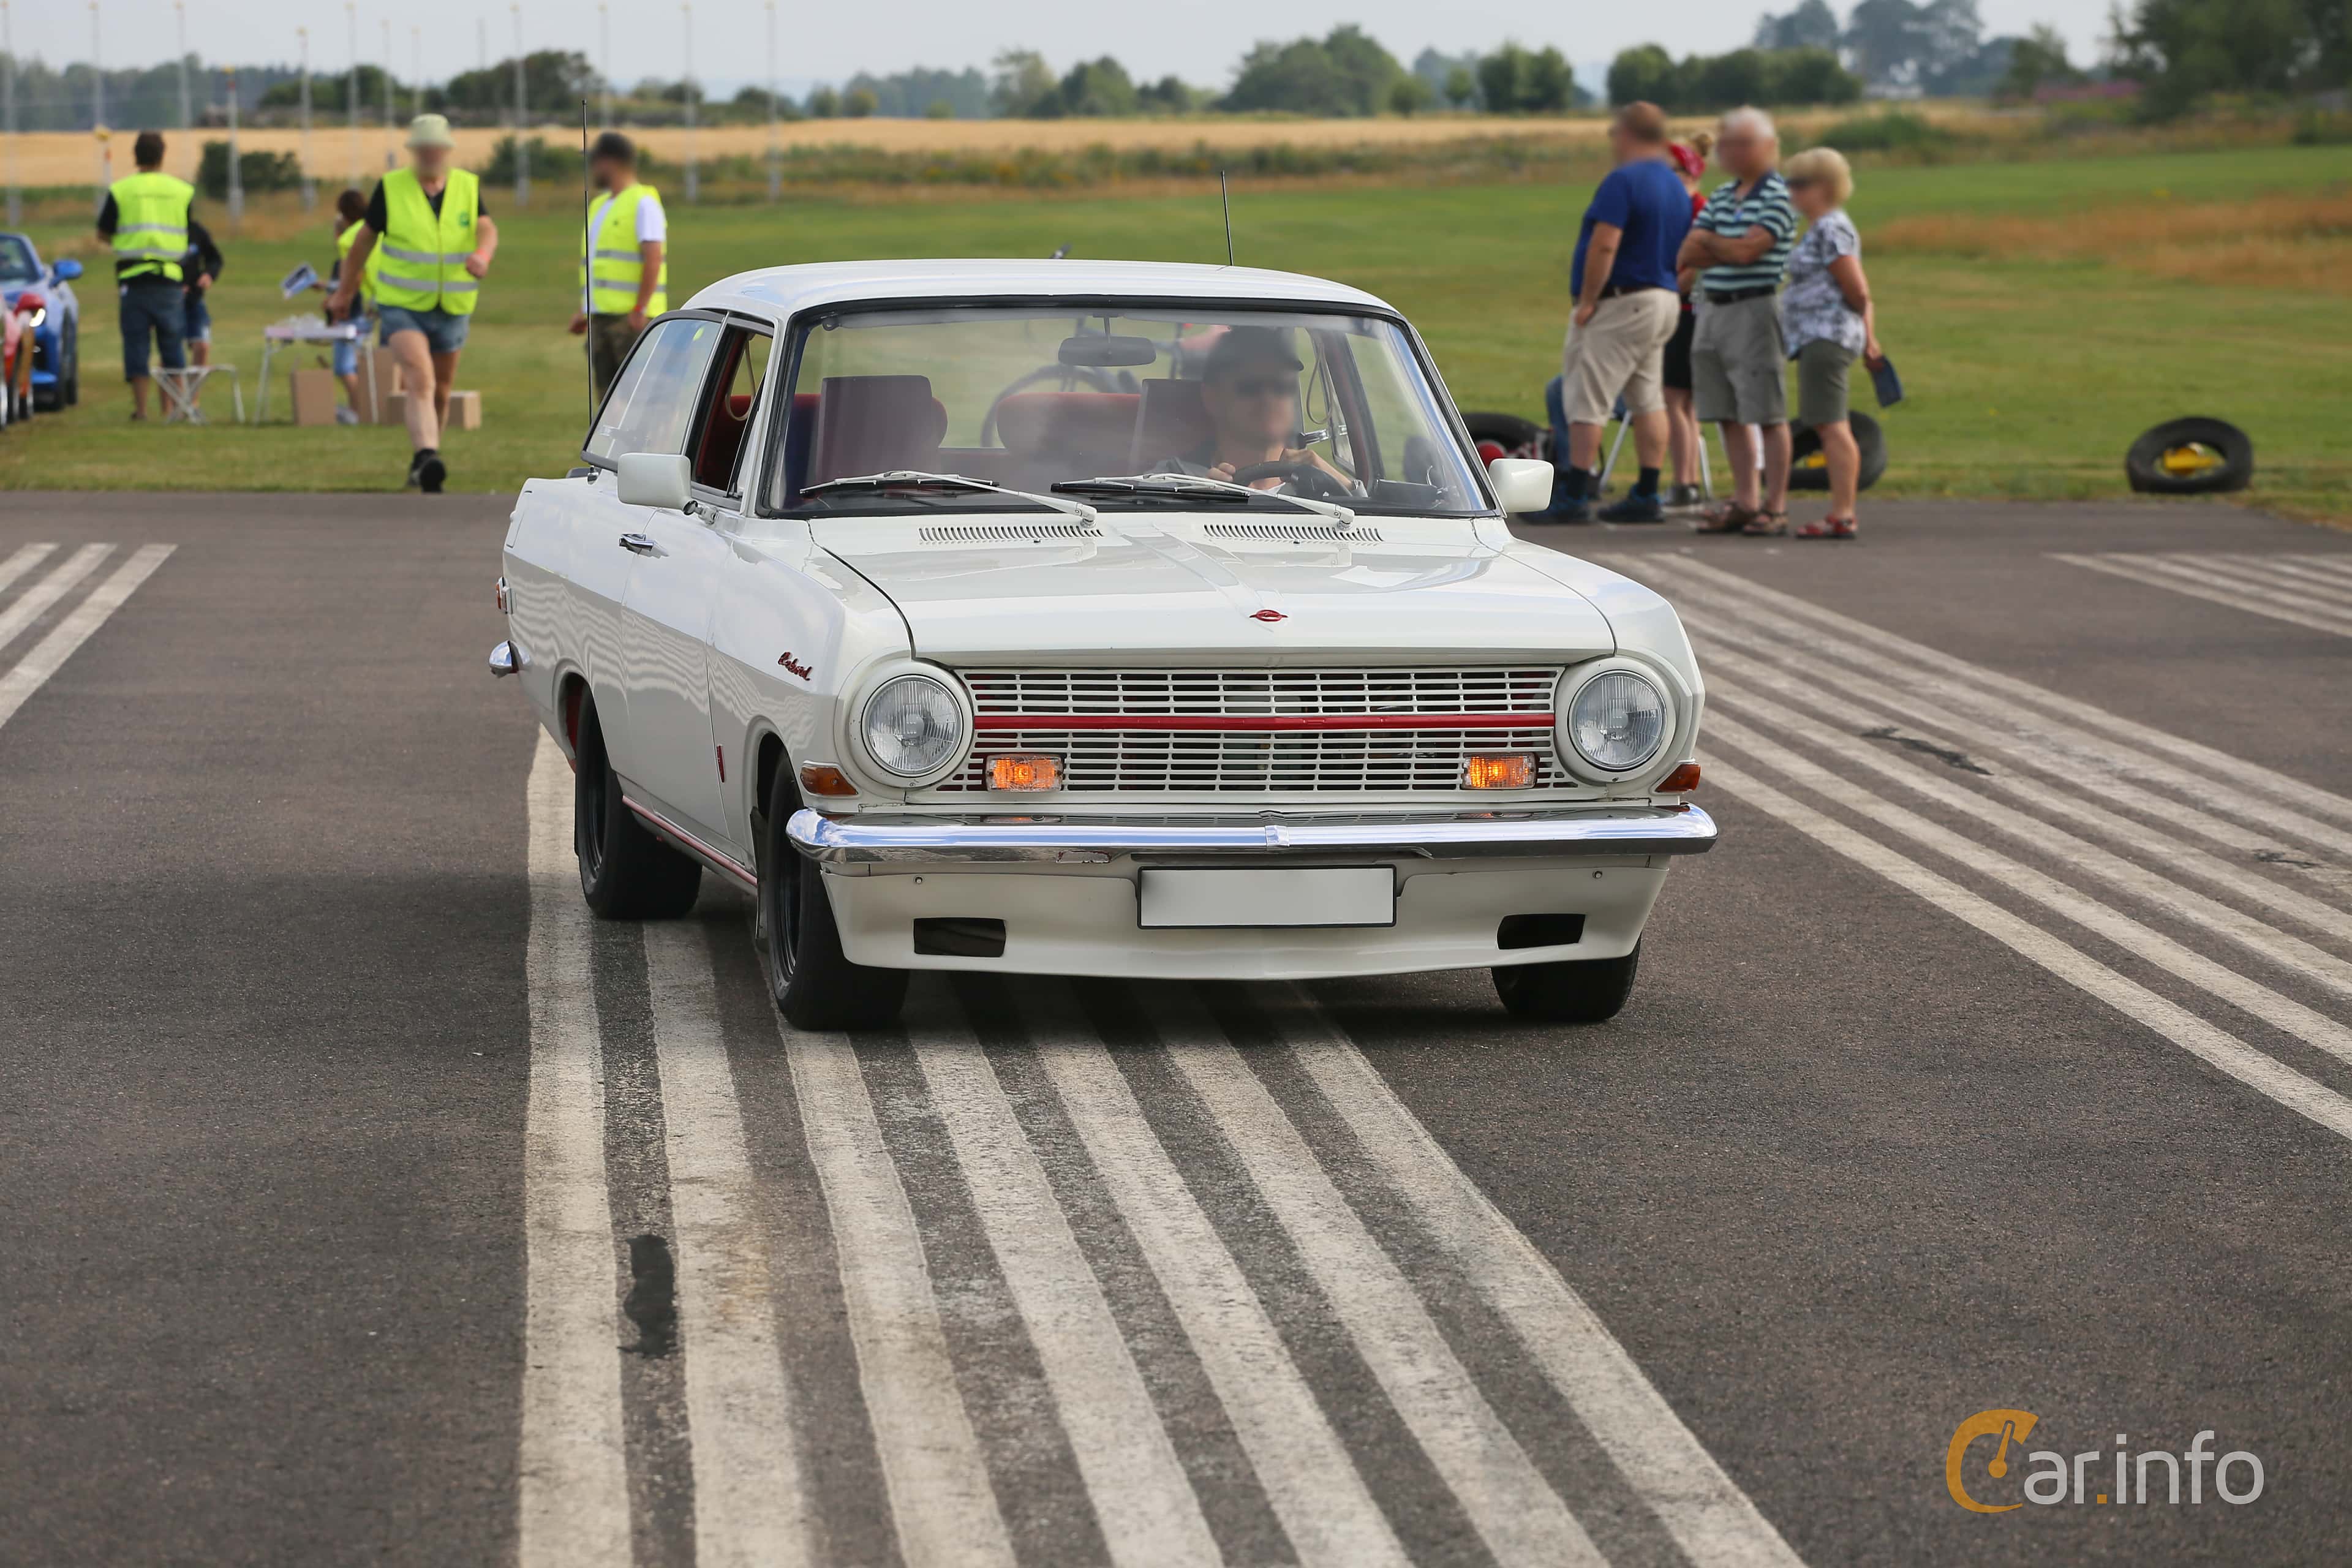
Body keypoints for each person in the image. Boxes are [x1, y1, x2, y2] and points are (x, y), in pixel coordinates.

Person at [1529, 102, 1691, 524]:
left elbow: (1605, 244)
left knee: (1588, 397)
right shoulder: (1675, 185)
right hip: (1663, 296)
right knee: (1647, 398)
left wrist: (1588, 300)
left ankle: (1575, 494)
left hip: (1622, 300)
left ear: (1628, 134)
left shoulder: (1624, 180)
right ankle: (1647, 490)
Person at [326, 114, 499, 494]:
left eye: (437, 149)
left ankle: (424, 461)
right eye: (424, 150)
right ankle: (427, 454)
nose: (431, 155)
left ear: (448, 150)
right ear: (414, 151)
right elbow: (362, 243)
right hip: (401, 304)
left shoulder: (466, 186)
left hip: (453, 304)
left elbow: (487, 228)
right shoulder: (391, 188)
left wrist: (482, 255)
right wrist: (345, 292)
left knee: (441, 390)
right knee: (420, 377)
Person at [1677, 106, 1799, 536]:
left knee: (1767, 410)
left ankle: (1776, 507)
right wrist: (1726, 245)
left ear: (1769, 147)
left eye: (1744, 144)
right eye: (1728, 144)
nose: (1732, 151)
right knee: (1726, 411)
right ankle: (1746, 502)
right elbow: (1689, 251)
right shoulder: (1725, 194)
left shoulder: (1779, 195)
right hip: (1712, 307)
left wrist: (1715, 243)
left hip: (1754, 307)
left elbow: (1750, 253)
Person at [1779, 147, 1884, 540]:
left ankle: (1843, 513)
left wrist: (1869, 335)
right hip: (1816, 337)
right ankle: (1842, 512)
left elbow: (1858, 289)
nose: (1791, 191)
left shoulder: (1830, 228)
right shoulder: (1822, 227)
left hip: (1827, 336)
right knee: (1827, 424)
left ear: (1824, 187)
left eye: (1800, 184)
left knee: (1832, 426)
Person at [1150, 326, 1357, 494]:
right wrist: (1193, 499)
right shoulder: (1171, 480)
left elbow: (1368, 522)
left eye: (1281, 387)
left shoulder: (1320, 487)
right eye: (1250, 388)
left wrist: (1341, 485)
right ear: (1213, 397)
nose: (1268, 399)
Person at [94, 130, 193, 422]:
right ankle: (178, 408)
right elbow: (187, 231)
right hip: (170, 278)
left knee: (136, 345)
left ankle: (142, 410)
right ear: (162, 156)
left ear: (135, 156)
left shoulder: (121, 190)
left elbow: (103, 233)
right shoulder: (181, 191)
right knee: (173, 345)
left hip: (133, 279)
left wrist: (122, 243)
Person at [568, 132, 668, 399]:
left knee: (639, 398)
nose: (592, 169)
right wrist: (586, 309)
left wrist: (639, 309)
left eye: (595, 161)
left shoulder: (643, 203)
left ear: (610, 162)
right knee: (608, 402)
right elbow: (598, 266)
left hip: (631, 321)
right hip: (601, 319)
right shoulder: (599, 205)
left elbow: (653, 258)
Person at [1660, 132, 1713, 510]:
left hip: (1687, 312)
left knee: (1675, 399)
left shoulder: (1697, 209)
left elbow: (1695, 264)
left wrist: (1669, 292)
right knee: (1684, 402)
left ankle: (1684, 481)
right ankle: (1688, 479)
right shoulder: (1684, 208)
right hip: (1686, 310)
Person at [327, 187, 379, 424]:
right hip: (389, 297)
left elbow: (355, 274)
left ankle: (360, 411)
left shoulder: (350, 238)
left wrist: (341, 302)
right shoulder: (376, 229)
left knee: (345, 365)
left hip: (366, 303)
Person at [178, 214, 225, 412]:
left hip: (194, 300)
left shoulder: (196, 231)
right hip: (168, 300)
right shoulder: (159, 229)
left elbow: (215, 259)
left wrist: (209, 275)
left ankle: (192, 402)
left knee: (203, 346)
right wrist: (169, 285)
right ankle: (171, 408)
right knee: (171, 353)